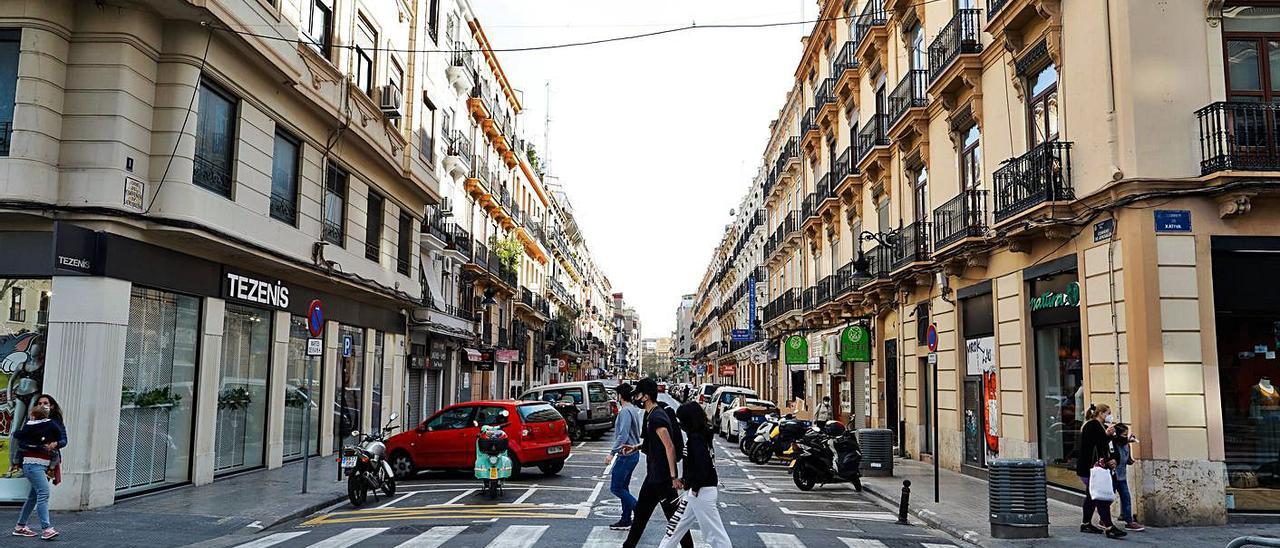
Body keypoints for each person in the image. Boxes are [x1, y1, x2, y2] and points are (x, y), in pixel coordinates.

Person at [621, 379, 693, 548]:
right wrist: (636, 447)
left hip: (662, 479)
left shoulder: (657, 417)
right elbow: (655, 443)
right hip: (653, 476)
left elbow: (669, 447)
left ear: (646, 396)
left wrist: (673, 476)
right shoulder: (651, 414)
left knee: (674, 519)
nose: (636, 398)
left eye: (638, 394)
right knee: (640, 515)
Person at [658, 402, 732, 548]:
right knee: (674, 528)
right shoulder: (700, 435)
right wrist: (686, 482)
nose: (680, 424)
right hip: (695, 491)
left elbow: (702, 466)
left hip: (701, 492)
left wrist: (694, 487)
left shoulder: (696, 438)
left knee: (715, 535)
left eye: (681, 420)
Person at [11, 404, 62, 540]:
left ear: (33, 415)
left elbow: (17, 435)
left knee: (34, 497)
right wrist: (52, 442)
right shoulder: (51, 425)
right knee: (43, 493)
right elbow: (60, 435)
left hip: (31, 465)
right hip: (37, 466)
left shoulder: (29, 426)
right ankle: (46, 529)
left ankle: (20, 526)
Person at [1077, 403, 1125, 539]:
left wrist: (1114, 458)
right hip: (1091, 468)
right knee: (1099, 497)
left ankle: (1086, 523)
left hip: (1095, 468)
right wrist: (1107, 435)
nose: (1110, 416)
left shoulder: (1099, 426)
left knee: (1092, 497)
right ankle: (1109, 527)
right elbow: (1095, 444)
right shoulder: (1091, 425)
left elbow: (1108, 446)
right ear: (1101, 413)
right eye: (1108, 413)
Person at [605, 383, 644, 530]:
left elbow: (623, 434)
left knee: (616, 488)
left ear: (620, 396)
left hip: (626, 455)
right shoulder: (632, 410)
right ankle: (626, 519)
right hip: (632, 455)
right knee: (624, 487)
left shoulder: (625, 412)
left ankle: (639, 511)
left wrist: (611, 453)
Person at [1111, 422, 1144, 531]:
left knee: (1126, 497)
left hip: (1122, 476)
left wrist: (1130, 460)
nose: (1126, 437)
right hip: (1113, 475)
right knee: (1109, 498)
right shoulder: (1113, 443)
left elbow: (1127, 458)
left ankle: (1129, 521)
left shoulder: (1126, 445)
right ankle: (1104, 518)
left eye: (1127, 434)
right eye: (1124, 435)